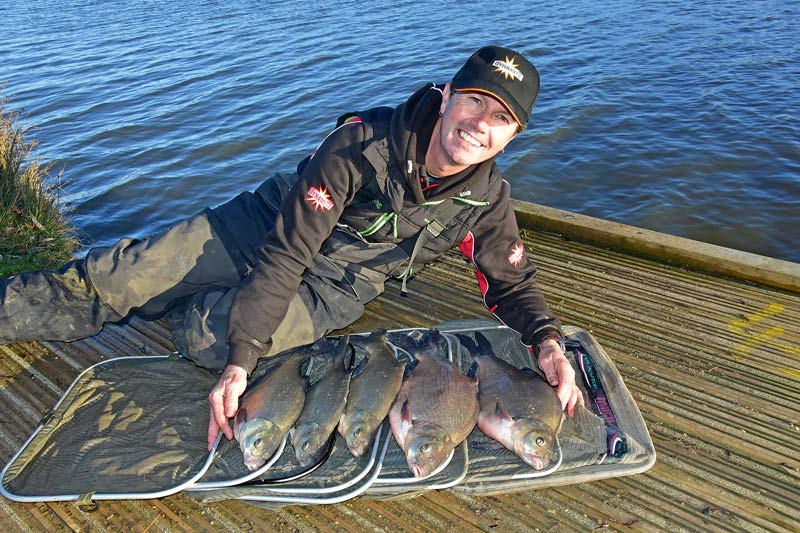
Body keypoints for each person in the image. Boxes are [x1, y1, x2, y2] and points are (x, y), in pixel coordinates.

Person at [0, 45, 584, 452]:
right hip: (264, 229)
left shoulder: (488, 201)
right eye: (475, 100)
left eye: (501, 117)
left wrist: (548, 343)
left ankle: (200, 303)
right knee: (114, 279)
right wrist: (243, 359)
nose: (480, 123)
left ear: (514, 135)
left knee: (209, 340)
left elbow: (511, 284)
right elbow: (286, 252)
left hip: (336, 286)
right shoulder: (360, 144)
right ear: (448, 93)